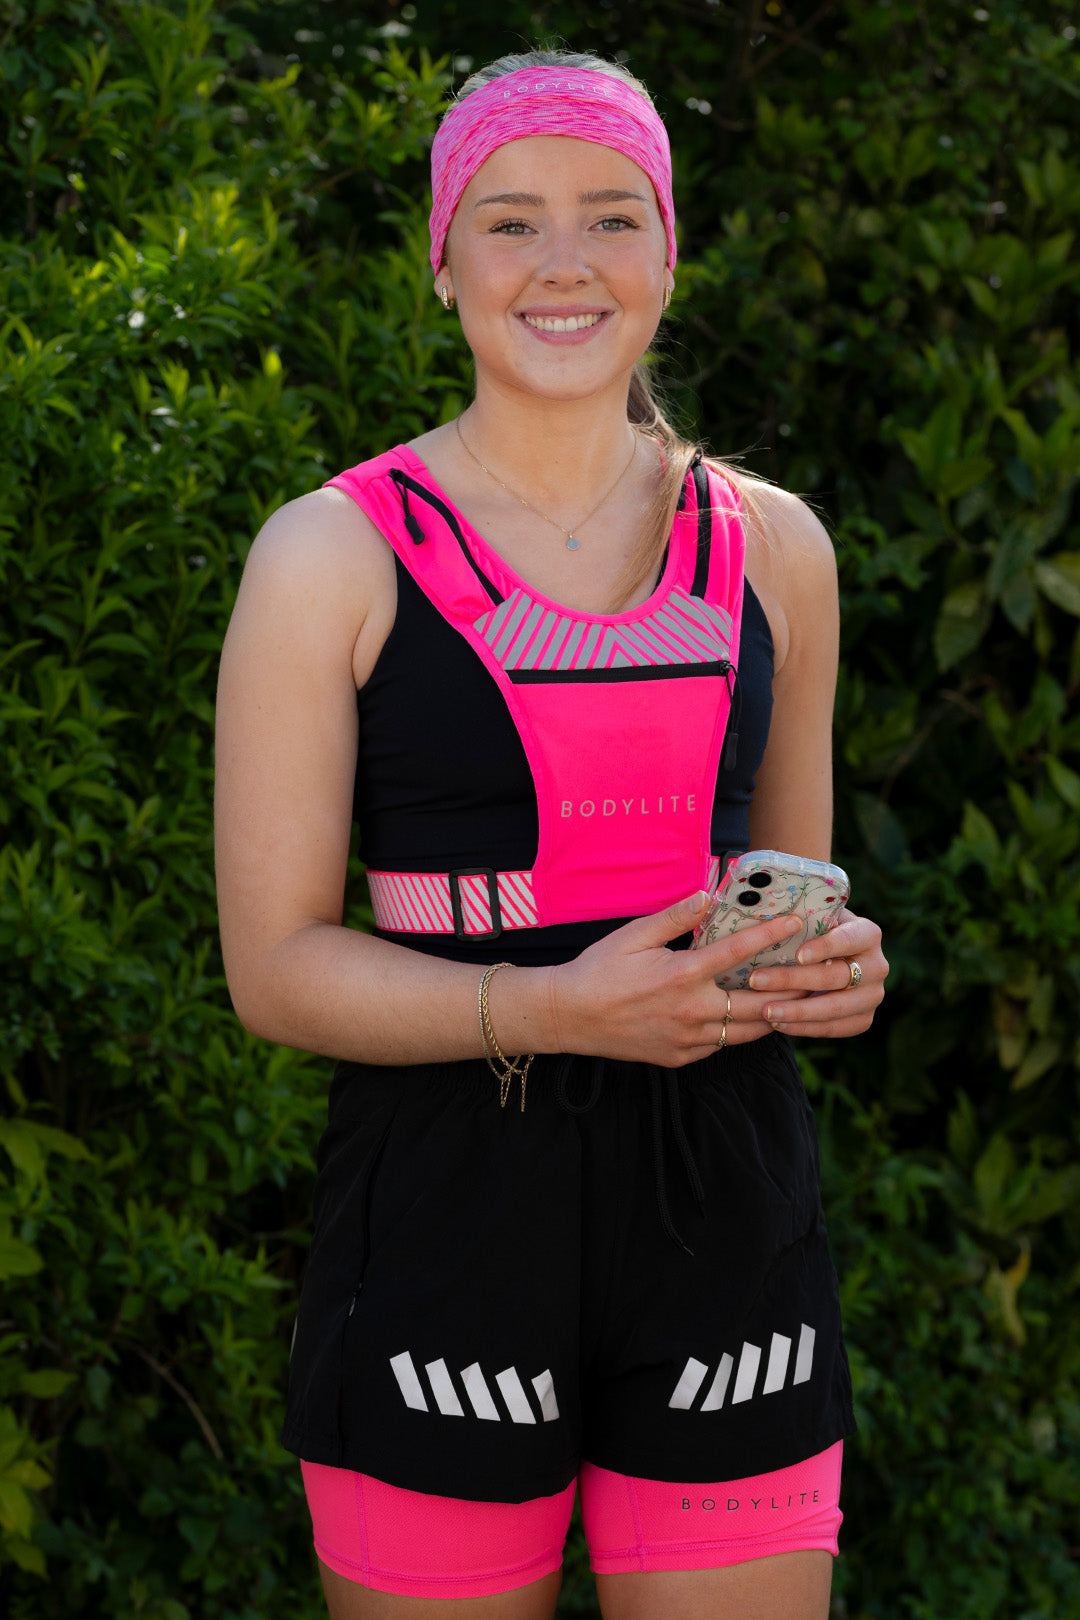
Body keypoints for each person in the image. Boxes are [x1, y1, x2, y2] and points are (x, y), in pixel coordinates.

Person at [214, 47, 887, 1620]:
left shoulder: (777, 545)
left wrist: (831, 970)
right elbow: (275, 968)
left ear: (670, 250)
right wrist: (550, 1009)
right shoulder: (328, 553)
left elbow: (792, 894)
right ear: (442, 261)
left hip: (729, 1208)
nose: (564, 263)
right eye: (510, 222)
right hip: (445, 1205)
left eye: (610, 216)